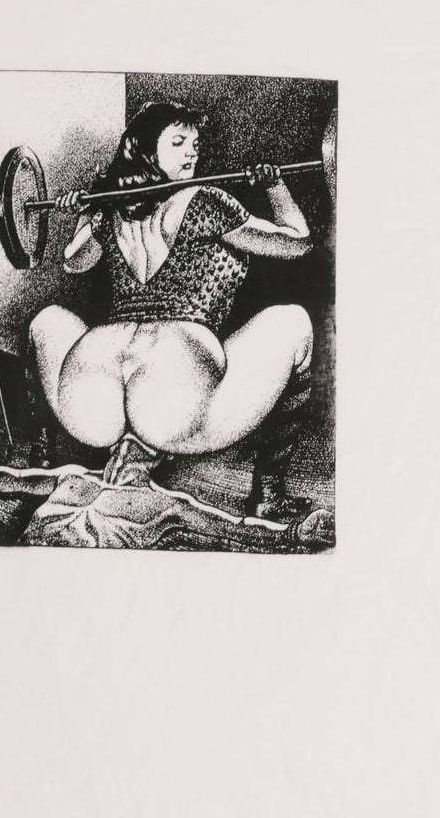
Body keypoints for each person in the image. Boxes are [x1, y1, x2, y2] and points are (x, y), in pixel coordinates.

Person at [28, 100, 319, 521]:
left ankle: (45, 461)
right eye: (179, 142)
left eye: (195, 144)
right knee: (295, 322)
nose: (192, 153)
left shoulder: (110, 208)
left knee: (47, 321)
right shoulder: (205, 201)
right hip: (170, 387)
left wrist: (87, 210)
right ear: (143, 148)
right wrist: (275, 185)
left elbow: (75, 260)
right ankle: (268, 493)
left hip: (93, 391)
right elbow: (297, 242)